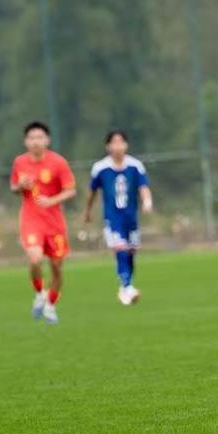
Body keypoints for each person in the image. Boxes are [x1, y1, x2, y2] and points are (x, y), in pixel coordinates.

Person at [10, 121, 76, 324]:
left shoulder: (58, 162)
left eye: (39, 137)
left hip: (54, 223)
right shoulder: (20, 162)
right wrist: (20, 186)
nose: (36, 141)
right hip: (31, 219)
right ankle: (39, 293)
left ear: (47, 140)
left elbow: (71, 191)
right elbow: (13, 188)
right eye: (31, 138)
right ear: (25, 141)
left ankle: (50, 306)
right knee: (34, 258)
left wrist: (51, 200)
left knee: (56, 267)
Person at [83, 130, 153, 305]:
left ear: (126, 145)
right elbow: (92, 191)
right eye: (114, 142)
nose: (118, 146)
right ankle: (128, 286)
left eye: (121, 142)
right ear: (107, 146)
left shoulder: (135, 166)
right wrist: (87, 211)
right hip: (112, 218)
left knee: (131, 252)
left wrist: (147, 202)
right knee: (120, 249)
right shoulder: (100, 168)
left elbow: (143, 187)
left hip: (131, 218)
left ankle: (124, 287)